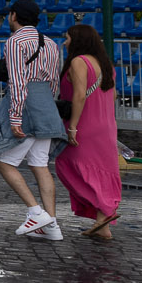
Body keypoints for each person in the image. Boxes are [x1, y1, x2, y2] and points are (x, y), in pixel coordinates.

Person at [0, 0, 69, 240]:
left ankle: (35, 211)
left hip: (25, 103)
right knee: (40, 164)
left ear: (14, 15)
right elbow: (53, 80)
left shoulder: (15, 41)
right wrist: (47, 105)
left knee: (1, 158)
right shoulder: (51, 43)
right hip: (46, 104)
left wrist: (16, 117)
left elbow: (18, 81)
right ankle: (51, 226)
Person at [54, 23, 122, 240]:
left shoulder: (78, 62)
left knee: (66, 164)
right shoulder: (106, 64)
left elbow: (80, 95)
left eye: (67, 38)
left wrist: (73, 126)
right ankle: (103, 223)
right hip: (105, 125)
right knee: (101, 170)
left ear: (78, 40)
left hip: (84, 124)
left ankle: (103, 211)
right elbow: (112, 96)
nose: (65, 42)